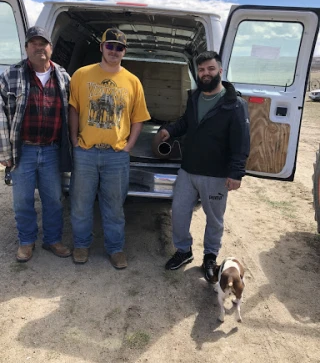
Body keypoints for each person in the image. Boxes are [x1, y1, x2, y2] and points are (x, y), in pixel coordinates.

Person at [160, 51, 250, 281]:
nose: (205, 73)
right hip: (188, 169)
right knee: (179, 213)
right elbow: (186, 122)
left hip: (216, 174)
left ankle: (210, 257)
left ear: (220, 71)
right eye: (201, 70)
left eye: (210, 69)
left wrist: (236, 172)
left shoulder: (234, 104)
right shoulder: (194, 97)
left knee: (214, 219)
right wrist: (170, 130)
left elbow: (241, 141)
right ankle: (183, 251)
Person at [69, 28, 150, 268]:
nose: (114, 51)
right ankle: (81, 246)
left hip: (116, 156)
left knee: (114, 206)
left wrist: (129, 147)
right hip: (85, 152)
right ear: (101, 47)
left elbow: (138, 118)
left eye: (119, 47)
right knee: (80, 204)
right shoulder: (81, 75)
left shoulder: (133, 81)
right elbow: (73, 109)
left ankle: (115, 249)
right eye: (110, 45)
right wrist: (74, 141)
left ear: (124, 52)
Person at [0, 26, 73, 262]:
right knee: (22, 200)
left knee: (53, 198)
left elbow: (73, 113)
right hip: (24, 150)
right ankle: (26, 241)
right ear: (26, 47)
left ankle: (53, 240)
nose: (39, 47)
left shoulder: (63, 77)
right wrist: (4, 151)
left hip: (52, 149)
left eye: (43, 43)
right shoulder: (10, 76)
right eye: (34, 43)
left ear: (51, 48)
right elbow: (0, 116)